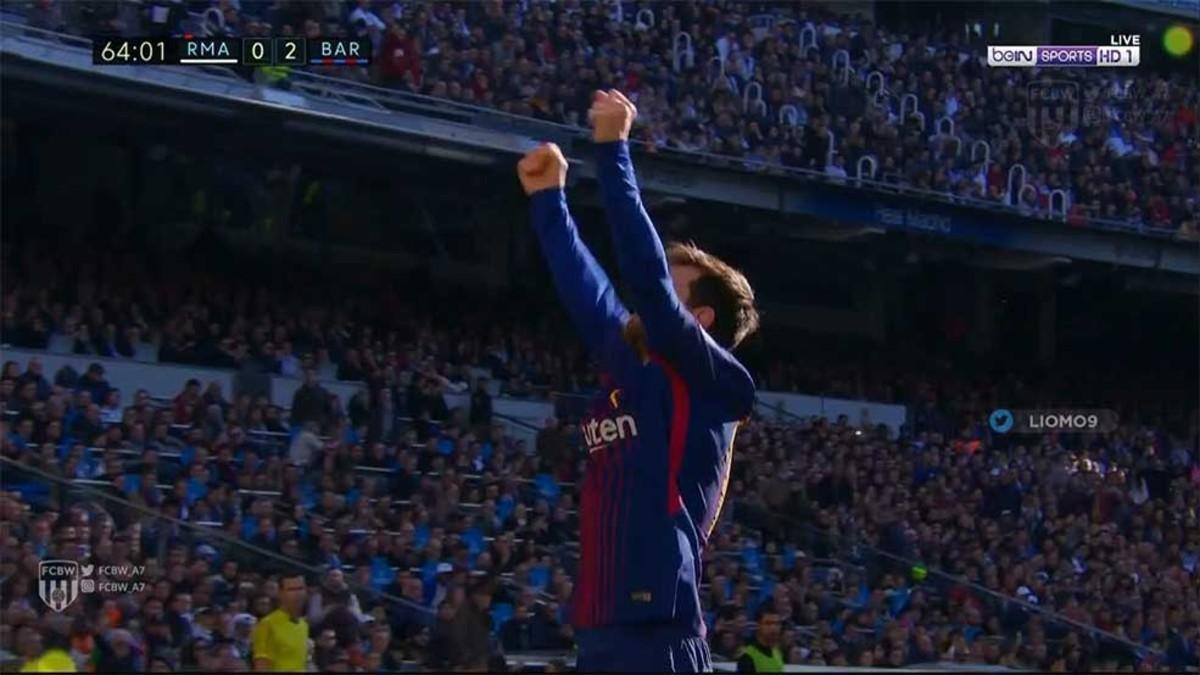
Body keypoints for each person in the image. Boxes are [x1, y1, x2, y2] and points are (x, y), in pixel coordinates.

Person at [515, 87, 759, 672]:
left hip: (660, 633)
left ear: (699, 321)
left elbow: (644, 280)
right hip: (599, 624)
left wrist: (613, 150)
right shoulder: (633, 363)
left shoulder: (718, 383)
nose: (646, 298)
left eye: (672, 290)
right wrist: (549, 201)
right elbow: (588, 294)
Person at [251, 573, 310, 672]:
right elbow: (261, 665)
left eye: (300, 588)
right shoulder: (267, 624)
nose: (297, 594)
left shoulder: (304, 625)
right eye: (291, 590)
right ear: (280, 593)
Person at [737, 605, 785, 672]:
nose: (773, 628)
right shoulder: (747, 657)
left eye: (777, 624)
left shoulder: (777, 653)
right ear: (759, 625)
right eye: (768, 623)